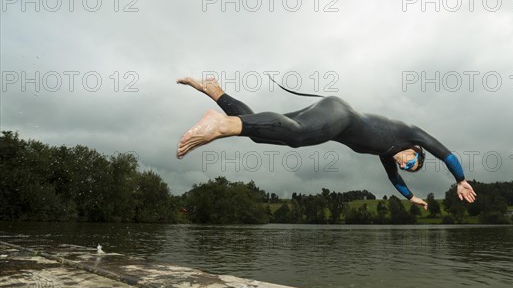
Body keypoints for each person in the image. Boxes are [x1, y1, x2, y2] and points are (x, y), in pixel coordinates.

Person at [176, 77, 476, 210]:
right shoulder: (410, 133)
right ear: (415, 150)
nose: (404, 164)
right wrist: (460, 180)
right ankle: (219, 123)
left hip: (327, 122)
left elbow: (393, 180)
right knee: (295, 136)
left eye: (408, 167)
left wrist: (410, 197)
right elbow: (445, 153)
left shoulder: (386, 154)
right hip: (338, 115)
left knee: (261, 132)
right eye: (411, 161)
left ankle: (216, 92)